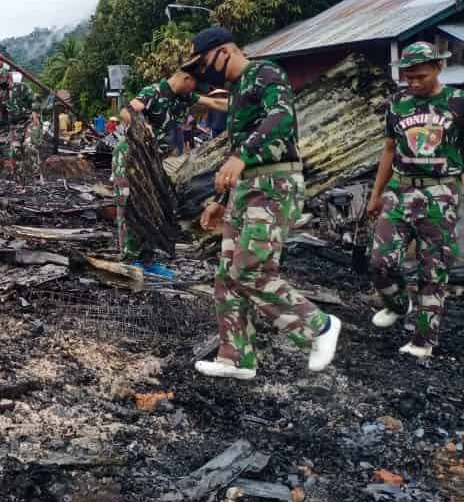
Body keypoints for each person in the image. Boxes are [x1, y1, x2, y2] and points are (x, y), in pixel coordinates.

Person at [187, 27, 340, 380]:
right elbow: (237, 151)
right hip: (244, 189)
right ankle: (236, 357)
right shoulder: (238, 91)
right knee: (227, 275)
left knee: (252, 269)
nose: (204, 72)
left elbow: (281, 117)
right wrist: (219, 200)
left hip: (273, 183)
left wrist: (241, 157)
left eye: (206, 63)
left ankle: (320, 326)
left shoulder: (266, 72)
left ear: (224, 51)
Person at [366, 42, 464, 359]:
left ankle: (423, 342)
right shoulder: (397, 103)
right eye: (408, 77)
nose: (413, 82)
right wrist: (376, 194)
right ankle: (398, 303)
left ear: (438, 68)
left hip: (442, 191)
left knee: (432, 271)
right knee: (380, 261)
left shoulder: (458, 102)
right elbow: (389, 149)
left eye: (419, 76)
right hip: (401, 188)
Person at [113, 71, 227, 278]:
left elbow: (215, 103)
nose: (194, 91)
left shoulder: (184, 96)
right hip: (132, 157)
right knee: (130, 205)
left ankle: (146, 260)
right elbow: (126, 111)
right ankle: (129, 261)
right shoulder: (153, 92)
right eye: (194, 86)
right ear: (186, 78)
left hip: (155, 161)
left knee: (153, 208)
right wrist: (142, 124)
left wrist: (246, 104)